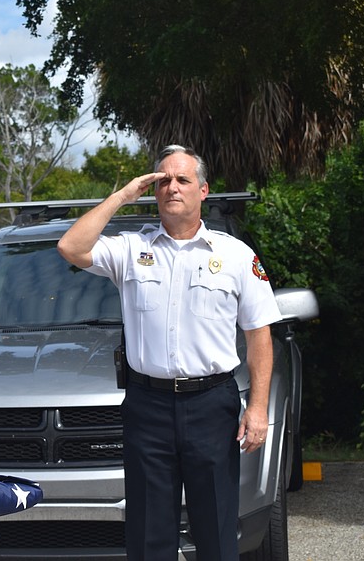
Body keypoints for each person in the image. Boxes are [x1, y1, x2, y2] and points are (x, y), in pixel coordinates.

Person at [57, 145, 282, 560]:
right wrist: (122, 196)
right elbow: (71, 246)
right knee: (148, 534)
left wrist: (258, 407)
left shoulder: (234, 256)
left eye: (182, 180)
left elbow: (259, 335)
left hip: (212, 404)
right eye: (163, 180)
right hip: (148, 406)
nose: (172, 187)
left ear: (203, 190)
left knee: (215, 527)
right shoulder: (130, 250)